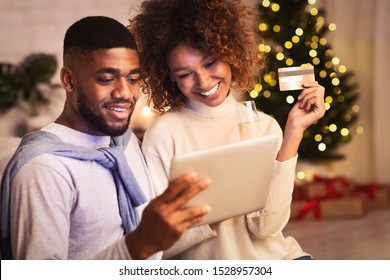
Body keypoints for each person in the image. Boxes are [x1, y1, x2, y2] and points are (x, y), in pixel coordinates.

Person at [0, 16, 211, 260]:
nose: (125, 93)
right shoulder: (44, 170)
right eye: (106, 79)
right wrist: (139, 244)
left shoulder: (124, 141)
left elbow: (153, 244)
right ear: (69, 80)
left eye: (133, 79)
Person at [128, 0, 326, 259]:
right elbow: (159, 246)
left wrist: (294, 131)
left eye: (210, 63)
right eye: (186, 73)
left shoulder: (266, 125)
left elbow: (267, 229)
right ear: (169, 76)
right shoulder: (164, 134)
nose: (204, 81)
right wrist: (215, 212)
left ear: (230, 53)